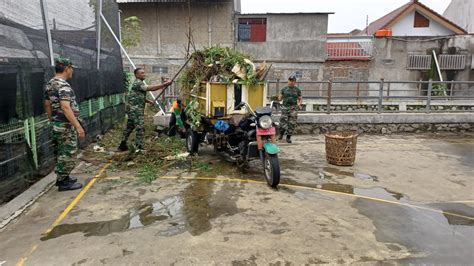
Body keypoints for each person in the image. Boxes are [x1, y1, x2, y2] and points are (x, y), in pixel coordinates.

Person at [44, 57, 85, 191]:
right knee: (68, 153)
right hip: (65, 125)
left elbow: (47, 104)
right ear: (67, 68)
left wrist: (51, 119)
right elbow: (66, 107)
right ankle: (63, 182)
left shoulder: (50, 83)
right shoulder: (63, 85)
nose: (72, 71)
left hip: (57, 123)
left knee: (61, 152)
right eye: (71, 69)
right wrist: (78, 126)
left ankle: (64, 177)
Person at [118, 68, 172, 152]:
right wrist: (165, 84)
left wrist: (148, 101)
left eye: (144, 73)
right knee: (140, 127)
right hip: (135, 109)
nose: (144, 74)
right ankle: (139, 146)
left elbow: (136, 95)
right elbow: (151, 88)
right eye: (142, 73)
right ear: (137, 75)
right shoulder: (138, 83)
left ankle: (122, 145)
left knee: (129, 127)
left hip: (133, 109)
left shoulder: (139, 83)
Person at [278, 75, 302, 143]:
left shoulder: (297, 90)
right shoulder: (284, 89)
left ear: (295, 82)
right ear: (288, 81)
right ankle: (281, 135)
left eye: (292, 81)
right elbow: (280, 97)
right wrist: (279, 98)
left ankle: (288, 137)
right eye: (290, 80)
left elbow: (300, 98)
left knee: (292, 123)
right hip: (285, 107)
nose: (291, 82)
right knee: (282, 122)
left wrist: (299, 104)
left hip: (293, 108)